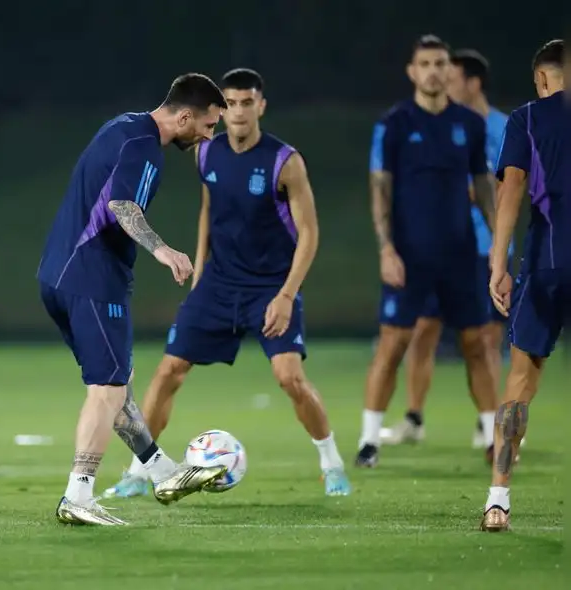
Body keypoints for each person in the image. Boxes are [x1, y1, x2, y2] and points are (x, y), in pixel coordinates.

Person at [103, 69, 351, 500]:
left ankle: (332, 464)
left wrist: (287, 295)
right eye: (230, 103)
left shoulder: (285, 161)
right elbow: (209, 208)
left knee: (289, 377)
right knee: (168, 372)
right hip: (218, 284)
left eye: (246, 103)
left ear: (261, 106)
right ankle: (138, 473)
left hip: (270, 287)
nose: (237, 112)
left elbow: (309, 233)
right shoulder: (205, 152)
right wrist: (200, 270)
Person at [37, 72, 230, 526]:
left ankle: (161, 470)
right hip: (93, 281)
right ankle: (77, 496)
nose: (209, 135)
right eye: (208, 125)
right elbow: (123, 206)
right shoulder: (145, 147)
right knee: (106, 390)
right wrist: (163, 250)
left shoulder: (122, 125)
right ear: (185, 116)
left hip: (59, 275)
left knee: (114, 386)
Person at [357, 35, 498, 468]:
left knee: (476, 344)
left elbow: (483, 188)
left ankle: (494, 437)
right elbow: (380, 190)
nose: (435, 70)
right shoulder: (394, 124)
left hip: (460, 256)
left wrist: (497, 245)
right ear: (412, 72)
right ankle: (368, 442)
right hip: (410, 258)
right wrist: (386, 249)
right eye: (426, 63)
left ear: (449, 71)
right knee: (394, 344)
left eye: (441, 63)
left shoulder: (469, 125)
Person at [480, 38, 567, 533]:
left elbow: (511, 187)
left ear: (541, 78)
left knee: (520, 384)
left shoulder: (528, 118)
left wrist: (498, 263)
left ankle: (497, 502)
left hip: (549, 262)